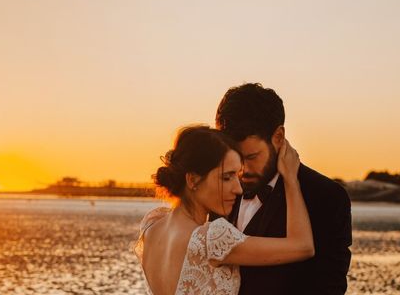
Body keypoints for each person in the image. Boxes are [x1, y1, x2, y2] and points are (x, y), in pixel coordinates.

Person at [135, 125, 314, 295]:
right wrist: (291, 179)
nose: (238, 189)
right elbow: (303, 246)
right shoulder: (211, 238)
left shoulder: (151, 226)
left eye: (237, 176)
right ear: (193, 180)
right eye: (226, 177)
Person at [215, 83, 352, 295]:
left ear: (278, 137)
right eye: (233, 157)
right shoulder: (214, 190)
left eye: (251, 157)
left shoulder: (325, 197)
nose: (242, 169)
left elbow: (328, 289)